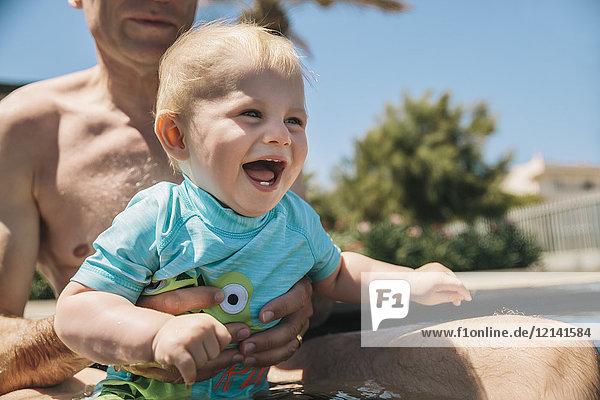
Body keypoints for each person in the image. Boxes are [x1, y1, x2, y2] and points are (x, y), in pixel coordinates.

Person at [53, 22, 473, 399]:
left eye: (295, 120)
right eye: (250, 113)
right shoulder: (160, 216)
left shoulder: (295, 220)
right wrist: (157, 333)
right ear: (176, 135)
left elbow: (339, 274)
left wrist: (412, 283)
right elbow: (75, 312)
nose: (279, 135)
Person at [0, 0, 313, 396]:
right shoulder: (24, 128)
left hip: (256, 376)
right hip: (109, 382)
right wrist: (126, 330)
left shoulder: (269, 124)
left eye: (295, 122)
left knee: (409, 343)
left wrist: (309, 303)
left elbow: (328, 280)